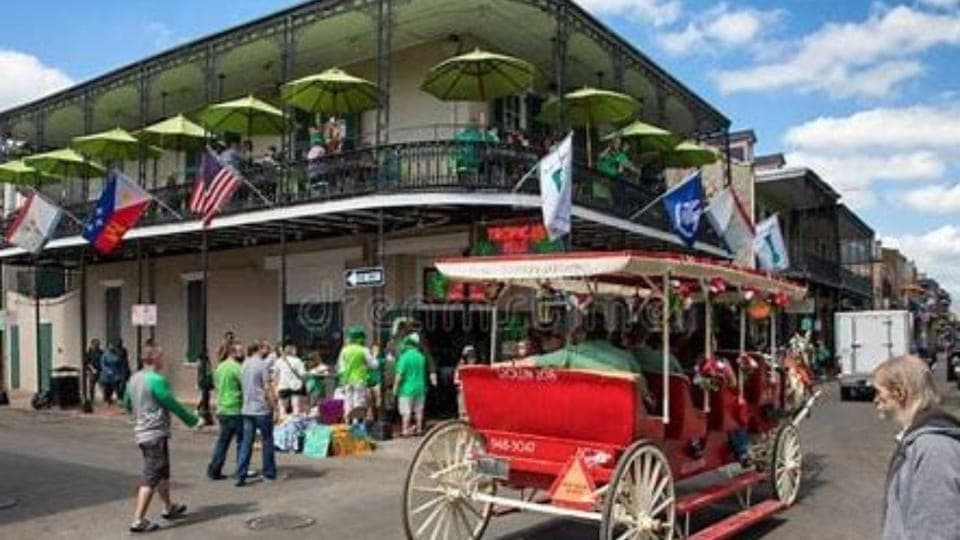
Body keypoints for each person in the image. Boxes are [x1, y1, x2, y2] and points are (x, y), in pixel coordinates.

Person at [874, 355, 960, 539]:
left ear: (900, 393)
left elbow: (936, 530)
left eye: (879, 392)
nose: (875, 400)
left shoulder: (934, 449)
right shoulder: (920, 441)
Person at [122, 343, 199, 533]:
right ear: (154, 359)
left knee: (162, 472)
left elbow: (126, 402)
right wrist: (193, 420)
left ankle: (168, 506)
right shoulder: (156, 380)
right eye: (161, 356)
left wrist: (139, 413)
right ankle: (138, 520)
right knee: (152, 476)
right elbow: (172, 403)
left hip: (143, 431)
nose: (164, 360)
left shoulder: (133, 379)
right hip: (154, 433)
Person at [235, 343, 277, 487]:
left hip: (247, 408)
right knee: (267, 440)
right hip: (261, 408)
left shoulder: (244, 365)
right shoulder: (262, 365)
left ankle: (241, 474)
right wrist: (273, 405)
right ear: (258, 350)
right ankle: (269, 472)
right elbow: (266, 386)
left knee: (247, 442)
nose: (267, 351)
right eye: (265, 348)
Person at [206, 343, 244, 481]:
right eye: (240, 351)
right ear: (234, 353)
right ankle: (241, 469)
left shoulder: (220, 367)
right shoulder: (237, 368)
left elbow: (216, 385)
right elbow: (244, 385)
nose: (243, 354)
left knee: (223, 441)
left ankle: (214, 469)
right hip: (235, 407)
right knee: (242, 441)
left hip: (222, 407)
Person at [337, 326, 378, 424]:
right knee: (358, 402)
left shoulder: (344, 350)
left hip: (347, 380)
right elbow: (374, 365)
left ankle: (347, 423)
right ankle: (356, 424)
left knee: (348, 401)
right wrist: (375, 356)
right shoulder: (363, 350)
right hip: (359, 380)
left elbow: (341, 367)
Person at [395, 332, 427, 436]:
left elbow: (399, 375)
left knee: (406, 411)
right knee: (419, 410)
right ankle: (419, 429)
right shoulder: (421, 356)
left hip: (406, 389)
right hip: (420, 387)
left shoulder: (404, 357)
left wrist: (395, 388)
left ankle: (405, 430)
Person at [275, 343, 307, 416]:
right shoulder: (298, 361)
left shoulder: (279, 361)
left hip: (283, 385)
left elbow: (276, 375)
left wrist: (276, 387)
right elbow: (303, 374)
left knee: (282, 408)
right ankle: (295, 422)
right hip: (295, 386)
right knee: (296, 407)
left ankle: (282, 422)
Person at [99, 343, 124, 408]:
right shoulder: (104, 355)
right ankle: (108, 401)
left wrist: (120, 373)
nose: (112, 347)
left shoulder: (117, 355)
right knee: (107, 389)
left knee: (117, 388)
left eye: (113, 346)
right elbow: (103, 365)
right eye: (110, 346)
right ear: (108, 347)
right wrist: (107, 371)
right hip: (107, 375)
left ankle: (119, 400)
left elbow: (120, 364)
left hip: (116, 374)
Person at [84, 339, 103, 404]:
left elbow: (103, 361)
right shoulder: (89, 352)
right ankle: (92, 399)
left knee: (102, 385)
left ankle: (105, 398)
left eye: (98, 344)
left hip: (100, 371)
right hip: (92, 371)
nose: (97, 346)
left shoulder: (101, 352)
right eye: (96, 344)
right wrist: (92, 369)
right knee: (91, 386)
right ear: (92, 345)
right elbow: (87, 362)